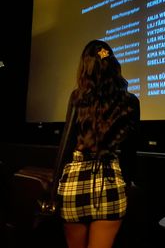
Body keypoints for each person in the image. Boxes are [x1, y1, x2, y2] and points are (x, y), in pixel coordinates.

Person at [56, 39, 140, 248]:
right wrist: (127, 184)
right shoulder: (130, 100)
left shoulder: (77, 97)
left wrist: (54, 187)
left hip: (75, 181)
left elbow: (66, 144)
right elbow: (130, 153)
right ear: (112, 64)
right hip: (110, 181)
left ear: (86, 67)